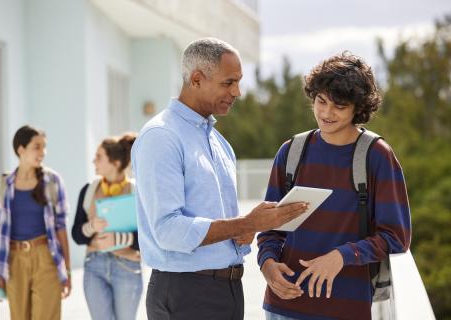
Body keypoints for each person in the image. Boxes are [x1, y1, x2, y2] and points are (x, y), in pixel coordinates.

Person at [131, 37, 308, 320]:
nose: (237, 92)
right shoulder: (161, 137)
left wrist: (244, 231)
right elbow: (167, 230)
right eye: (228, 82)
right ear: (197, 79)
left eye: (238, 81)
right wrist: (248, 223)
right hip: (185, 294)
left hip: (227, 290)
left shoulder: (220, 143)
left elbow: (221, 222)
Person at [257, 52, 412, 320]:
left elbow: (396, 237)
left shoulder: (377, 156)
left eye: (339, 106)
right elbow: (271, 228)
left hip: (346, 309)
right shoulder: (292, 151)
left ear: (358, 108)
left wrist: (343, 256)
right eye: (321, 101)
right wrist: (267, 264)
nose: (326, 113)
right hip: (284, 306)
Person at [0, 125, 71, 320]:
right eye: (37, 147)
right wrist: (2, 274)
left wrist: (67, 270)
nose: (42, 152)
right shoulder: (5, 184)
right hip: (14, 260)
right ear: (21, 149)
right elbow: (2, 230)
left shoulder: (52, 181)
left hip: (45, 257)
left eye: (44, 147)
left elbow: (61, 228)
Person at [71, 132, 142, 320]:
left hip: (128, 267)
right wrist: (92, 226)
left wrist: (118, 239)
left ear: (116, 163)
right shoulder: (88, 190)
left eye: (99, 157)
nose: (94, 161)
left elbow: (148, 237)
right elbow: (77, 235)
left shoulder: (137, 192)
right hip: (94, 266)